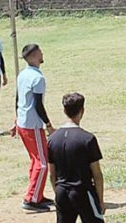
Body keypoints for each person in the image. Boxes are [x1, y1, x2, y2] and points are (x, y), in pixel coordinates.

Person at [10, 43, 56, 212]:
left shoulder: (23, 74)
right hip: (32, 125)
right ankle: (31, 199)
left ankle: (38, 194)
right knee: (42, 163)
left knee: (36, 161)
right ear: (35, 56)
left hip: (23, 123)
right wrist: (49, 125)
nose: (42, 54)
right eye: (40, 52)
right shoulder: (38, 78)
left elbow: (18, 98)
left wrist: (15, 120)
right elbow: (38, 105)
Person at [48, 93, 105, 223]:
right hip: (83, 192)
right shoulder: (87, 139)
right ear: (82, 111)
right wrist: (100, 200)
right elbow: (97, 174)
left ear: (64, 111)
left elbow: (52, 174)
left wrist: (57, 193)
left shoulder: (52, 139)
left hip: (62, 191)